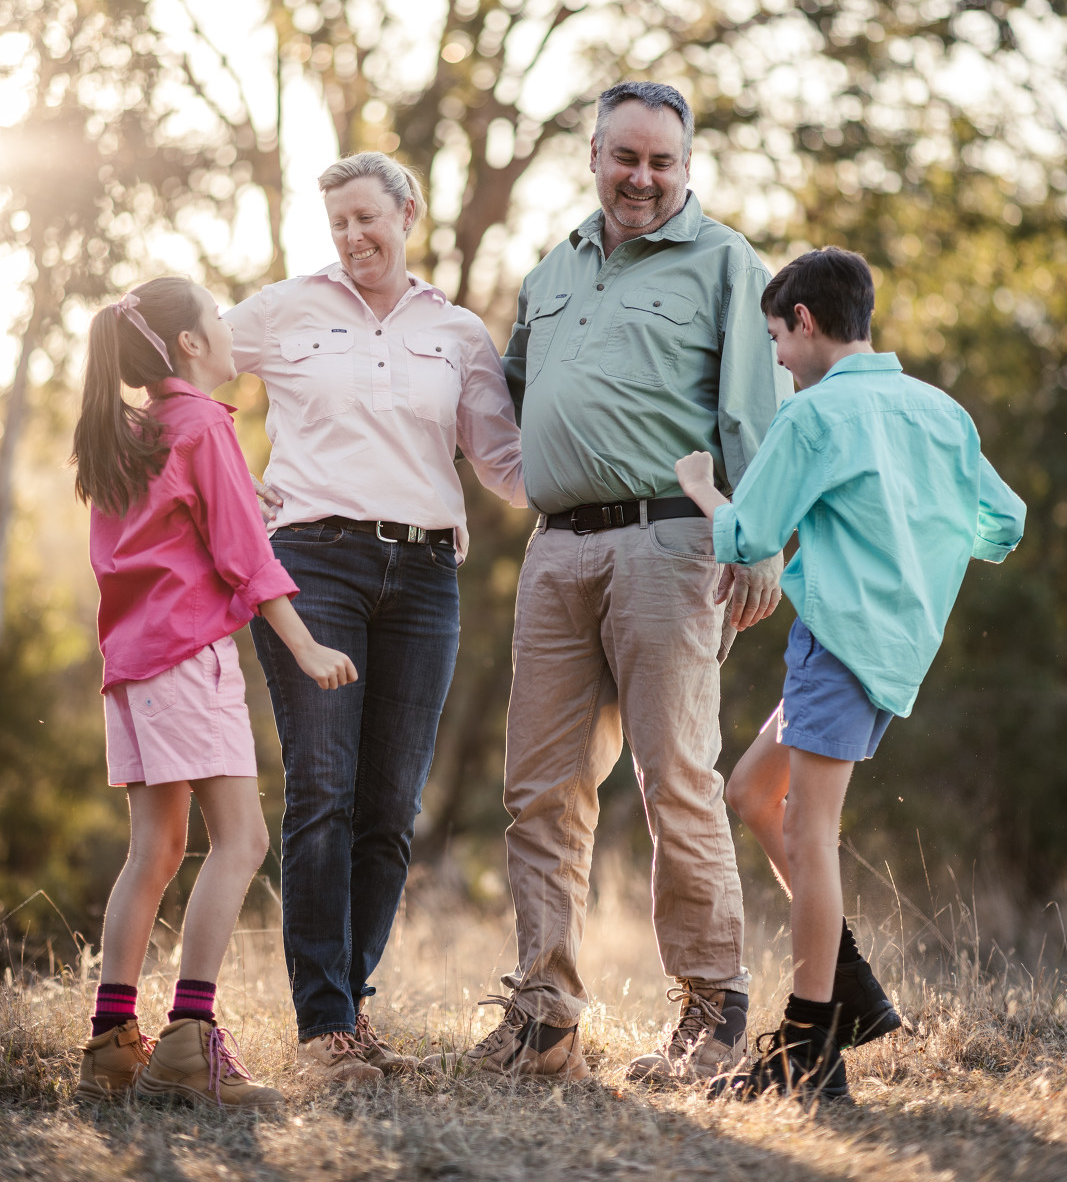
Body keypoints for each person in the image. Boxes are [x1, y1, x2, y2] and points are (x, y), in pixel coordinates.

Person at [427, 81, 791, 1085]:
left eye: (660, 161)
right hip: (556, 550)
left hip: (669, 544)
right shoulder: (550, 271)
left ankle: (711, 1015)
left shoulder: (725, 263)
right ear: (592, 155)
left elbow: (754, 415)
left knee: (675, 777)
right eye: (624, 156)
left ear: (686, 167)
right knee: (538, 789)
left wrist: (757, 536)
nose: (641, 177)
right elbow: (500, 397)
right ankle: (544, 1021)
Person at [676, 245, 1026, 1105]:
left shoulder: (813, 415)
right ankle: (853, 987)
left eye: (776, 339)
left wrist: (700, 487)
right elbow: (1004, 523)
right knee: (751, 793)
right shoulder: (939, 410)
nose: (778, 359)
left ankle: (809, 1045)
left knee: (808, 830)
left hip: (836, 642)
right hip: (891, 647)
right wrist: (915, 539)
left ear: (803, 320)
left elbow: (748, 536)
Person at [225, 151, 525, 1083]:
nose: (355, 237)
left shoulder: (459, 332)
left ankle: (349, 1009)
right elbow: (178, 369)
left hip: (426, 577)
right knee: (324, 791)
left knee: (391, 808)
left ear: (407, 213)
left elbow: (506, 465)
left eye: (368, 217)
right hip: (313, 564)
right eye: (339, 223)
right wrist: (228, 490)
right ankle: (323, 1029)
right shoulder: (285, 309)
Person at [71, 277, 357, 1110]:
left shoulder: (137, 431)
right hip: (186, 659)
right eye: (218, 319)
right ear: (191, 344)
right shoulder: (202, 424)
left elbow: (174, 528)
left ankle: (111, 1048)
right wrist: (304, 644)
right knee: (241, 840)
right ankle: (190, 1044)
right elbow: (243, 557)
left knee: (155, 852)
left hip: (132, 666)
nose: (231, 333)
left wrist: (240, 492)